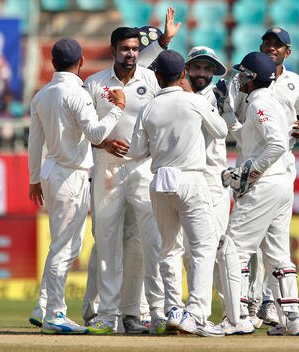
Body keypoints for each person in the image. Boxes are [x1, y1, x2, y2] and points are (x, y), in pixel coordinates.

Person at [81, 12, 181, 334]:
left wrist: (165, 40)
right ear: (113, 50)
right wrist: (104, 143)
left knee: (150, 240)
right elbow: (81, 129)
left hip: (142, 167)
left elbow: (165, 119)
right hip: (107, 168)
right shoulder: (94, 83)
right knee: (107, 241)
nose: (131, 54)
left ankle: (154, 312)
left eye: (136, 49)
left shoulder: (151, 81)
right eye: (125, 48)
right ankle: (107, 314)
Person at [28, 38, 126, 334]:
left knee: (61, 244)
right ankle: (55, 314)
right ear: (81, 62)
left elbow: (34, 141)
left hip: (51, 172)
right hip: (71, 175)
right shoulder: (77, 94)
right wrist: (117, 109)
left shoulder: (42, 94)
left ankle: (44, 305)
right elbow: (96, 134)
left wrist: (34, 178)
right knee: (66, 248)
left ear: (53, 62)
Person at [221, 27, 299, 332]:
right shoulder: (264, 101)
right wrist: (228, 115)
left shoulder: (260, 103)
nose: (240, 79)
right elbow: (248, 137)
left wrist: (251, 171)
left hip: (265, 183)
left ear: (252, 78)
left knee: (233, 249)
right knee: (277, 254)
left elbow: (275, 144)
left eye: (243, 75)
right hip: (279, 184)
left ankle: (238, 317)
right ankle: (293, 320)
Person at [130, 49, 227, 337]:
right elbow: (221, 131)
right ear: (182, 74)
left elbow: (136, 151)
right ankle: (196, 314)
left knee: (169, 248)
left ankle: (172, 308)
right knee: (202, 247)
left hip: (160, 181)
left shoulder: (148, 108)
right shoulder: (194, 101)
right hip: (191, 179)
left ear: (158, 76)